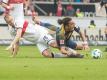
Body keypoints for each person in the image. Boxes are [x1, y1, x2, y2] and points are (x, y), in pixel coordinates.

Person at [4, 14, 84, 58]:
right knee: (47, 55)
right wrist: (13, 55)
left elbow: (18, 35)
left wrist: (11, 44)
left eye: (12, 20)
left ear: (13, 18)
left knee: (54, 45)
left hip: (41, 33)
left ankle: (73, 52)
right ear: (7, 22)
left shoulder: (18, 21)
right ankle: (67, 55)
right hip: (37, 41)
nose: (11, 22)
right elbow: (17, 43)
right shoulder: (11, 31)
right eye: (9, 21)